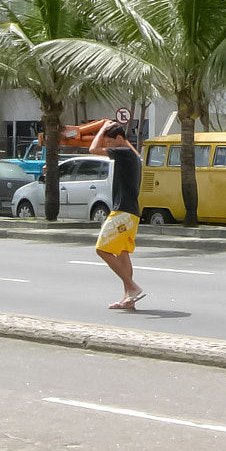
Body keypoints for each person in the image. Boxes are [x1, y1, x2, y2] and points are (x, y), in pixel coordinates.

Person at [90, 123, 144, 311]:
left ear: (120, 140)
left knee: (101, 249)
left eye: (110, 142)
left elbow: (93, 149)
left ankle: (132, 287)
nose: (108, 146)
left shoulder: (123, 152)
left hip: (123, 212)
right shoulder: (132, 154)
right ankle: (128, 300)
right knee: (122, 254)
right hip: (131, 213)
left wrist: (102, 127)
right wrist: (107, 131)